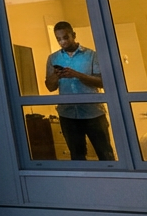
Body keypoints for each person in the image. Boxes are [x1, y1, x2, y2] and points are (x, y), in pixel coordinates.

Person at [44, 21, 115, 161]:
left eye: (65, 37)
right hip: (68, 114)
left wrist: (77, 75)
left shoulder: (91, 55)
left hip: (93, 113)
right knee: (77, 157)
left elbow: (102, 82)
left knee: (105, 154)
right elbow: (50, 87)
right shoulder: (53, 58)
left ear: (73, 35)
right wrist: (55, 75)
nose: (62, 42)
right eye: (58, 39)